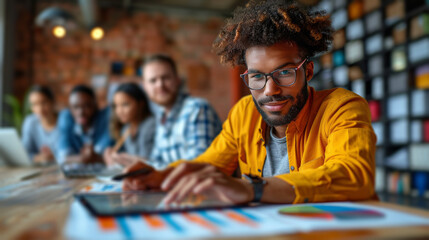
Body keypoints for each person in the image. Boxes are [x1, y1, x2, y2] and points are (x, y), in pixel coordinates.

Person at [123, 0, 377, 205]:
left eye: (285, 72)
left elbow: (354, 175)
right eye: (257, 76)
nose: (270, 90)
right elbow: (209, 164)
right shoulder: (244, 112)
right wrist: (161, 176)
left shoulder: (341, 106)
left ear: (307, 71)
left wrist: (251, 189)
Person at [116, 54, 223, 169]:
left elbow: (199, 166)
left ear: (177, 80)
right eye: (153, 81)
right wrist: (139, 163)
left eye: (165, 78)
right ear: (145, 87)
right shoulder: (161, 117)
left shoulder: (197, 109)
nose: (160, 85)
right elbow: (157, 160)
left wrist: (145, 164)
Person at [56, 85, 112, 164]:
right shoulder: (66, 118)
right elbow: (61, 156)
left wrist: (75, 158)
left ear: (95, 106)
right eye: (75, 107)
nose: (81, 112)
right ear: (70, 109)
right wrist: (82, 158)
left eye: (86, 106)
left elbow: (105, 154)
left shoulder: (105, 118)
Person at [103, 82, 155, 166]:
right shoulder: (126, 129)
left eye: (125, 104)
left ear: (141, 104)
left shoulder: (150, 125)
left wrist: (123, 158)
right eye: (116, 106)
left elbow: (152, 162)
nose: (119, 111)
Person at [21, 85, 59, 164]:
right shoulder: (30, 122)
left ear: (52, 102)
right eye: (35, 104)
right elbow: (24, 153)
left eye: (44, 102)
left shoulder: (64, 122)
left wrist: (55, 157)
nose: (40, 108)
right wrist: (39, 158)